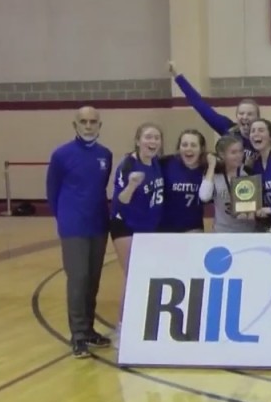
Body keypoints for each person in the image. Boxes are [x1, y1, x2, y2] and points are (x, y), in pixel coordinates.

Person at [45, 107, 113, 359]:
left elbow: (100, 187)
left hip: (98, 224)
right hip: (73, 226)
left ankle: (89, 329)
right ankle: (78, 336)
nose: (88, 126)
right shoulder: (61, 155)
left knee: (93, 280)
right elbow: (52, 191)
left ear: (99, 125)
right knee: (78, 279)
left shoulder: (105, 155)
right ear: (75, 125)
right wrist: (64, 217)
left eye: (93, 122)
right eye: (83, 122)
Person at [170, 61, 259, 162]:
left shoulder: (265, 135)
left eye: (250, 114)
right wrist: (177, 76)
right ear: (237, 116)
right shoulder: (228, 129)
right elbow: (200, 105)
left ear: (257, 117)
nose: (245, 117)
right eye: (241, 113)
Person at [110, 123, 165, 279]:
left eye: (156, 138)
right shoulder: (128, 165)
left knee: (148, 275)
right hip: (127, 227)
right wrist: (132, 185)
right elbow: (122, 200)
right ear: (138, 141)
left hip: (149, 227)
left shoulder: (155, 163)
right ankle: (126, 305)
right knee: (133, 276)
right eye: (148, 137)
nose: (153, 141)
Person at [199, 135, 258, 233]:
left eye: (240, 151)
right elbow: (204, 196)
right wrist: (212, 165)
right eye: (233, 152)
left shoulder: (248, 171)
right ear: (222, 155)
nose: (239, 155)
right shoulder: (213, 174)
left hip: (248, 232)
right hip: (222, 231)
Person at [160, 129, 210, 233]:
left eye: (193, 145)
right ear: (179, 148)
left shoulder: (207, 167)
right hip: (165, 229)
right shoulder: (166, 163)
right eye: (184, 145)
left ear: (201, 149)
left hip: (194, 229)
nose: (188, 148)